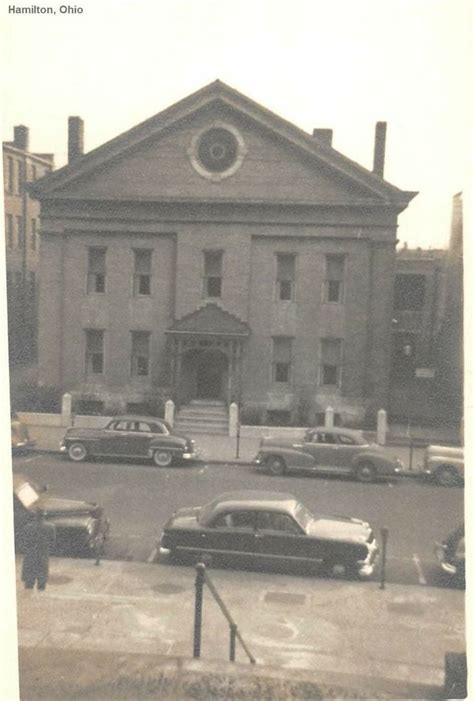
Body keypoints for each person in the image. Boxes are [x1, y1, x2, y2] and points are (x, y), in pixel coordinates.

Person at [21, 509, 56, 591]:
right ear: (44, 515)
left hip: (30, 554)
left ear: (35, 516)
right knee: (42, 579)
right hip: (43, 554)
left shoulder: (28, 527)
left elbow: (24, 542)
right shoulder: (51, 527)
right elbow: (52, 542)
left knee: (29, 581)